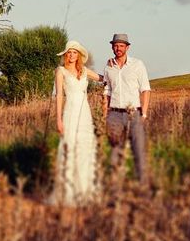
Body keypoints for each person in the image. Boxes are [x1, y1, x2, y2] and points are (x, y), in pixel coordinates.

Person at [52, 40, 102, 205]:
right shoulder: (61, 71)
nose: (72, 55)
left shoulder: (85, 71)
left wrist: (112, 68)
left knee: (85, 148)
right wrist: (58, 119)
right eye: (69, 52)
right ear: (66, 55)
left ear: (78, 55)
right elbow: (59, 96)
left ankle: (84, 191)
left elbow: (103, 79)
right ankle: (67, 193)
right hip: (70, 113)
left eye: (74, 52)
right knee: (69, 147)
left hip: (85, 114)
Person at [101, 33, 151, 183]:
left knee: (138, 150)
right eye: (116, 45)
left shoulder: (137, 65)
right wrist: (105, 115)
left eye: (121, 45)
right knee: (115, 152)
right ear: (112, 47)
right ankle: (116, 188)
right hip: (114, 114)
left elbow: (145, 90)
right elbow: (107, 91)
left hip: (133, 113)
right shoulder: (109, 67)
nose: (118, 48)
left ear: (127, 47)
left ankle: (143, 187)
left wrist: (144, 114)